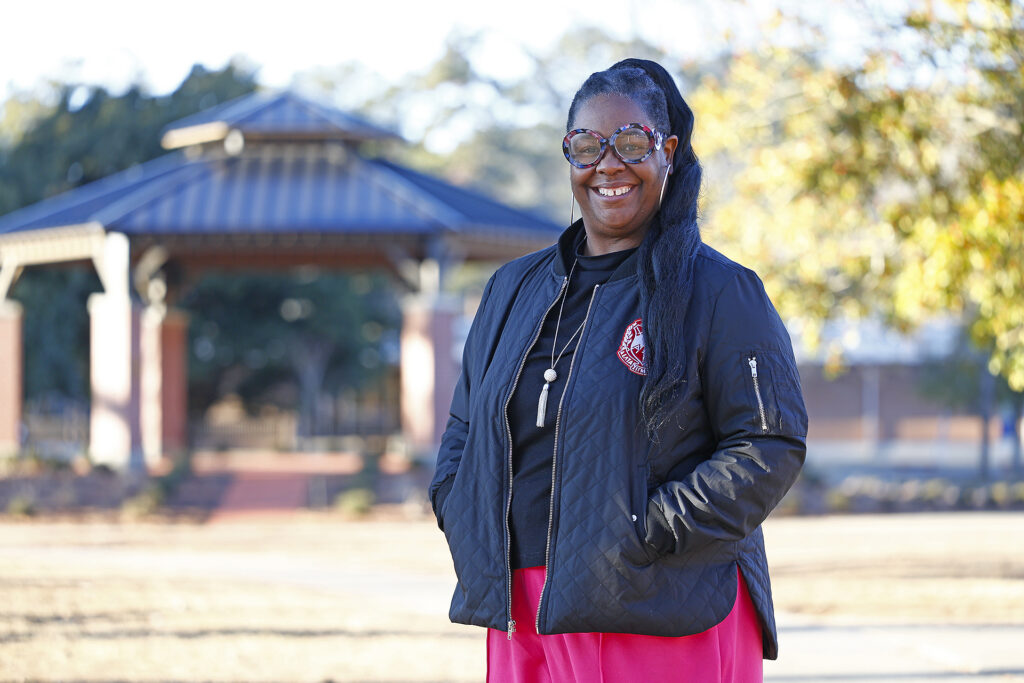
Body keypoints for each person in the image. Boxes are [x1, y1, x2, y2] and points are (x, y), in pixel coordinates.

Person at [428, 58, 807, 683]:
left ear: (668, 152)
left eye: (631, 142)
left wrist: (643, 532)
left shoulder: (720, 291)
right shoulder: (511, 289)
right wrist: (458, 507)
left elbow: (768, 443)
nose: (608, 164)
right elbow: (465, 427)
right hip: (520, 606)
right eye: (587, 145)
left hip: (659, 599)